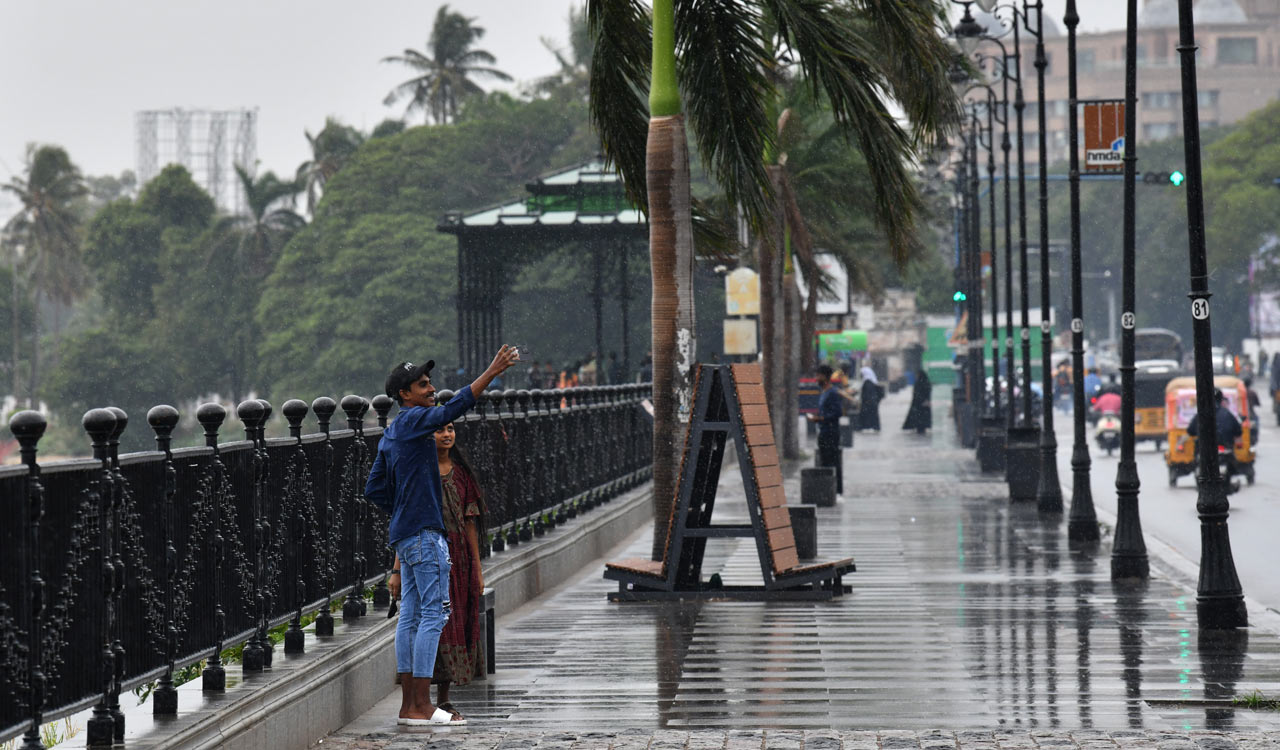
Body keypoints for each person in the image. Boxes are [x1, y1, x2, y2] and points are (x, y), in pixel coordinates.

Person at [365, 345, 518, 727]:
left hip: (404, 533)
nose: (431, 389)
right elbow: (454, 408)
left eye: (430, 383)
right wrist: (492, 371)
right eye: (423, 384)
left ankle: (410, 706)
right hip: (424, 534)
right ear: (405, 394)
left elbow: (374, 489)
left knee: (411, 617)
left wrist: (403, 506)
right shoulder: (416, 420)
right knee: (435, 613)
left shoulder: (392, 432)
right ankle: (419, 705)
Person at [1187, 388, 1244, 483]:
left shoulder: (1201, 414)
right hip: (1224, 447)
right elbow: (1238, 430)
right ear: (1221, 399)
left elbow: (1190, 430)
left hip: (1205, 450)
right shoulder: (1227, 414)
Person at [807, 365, 844, 497]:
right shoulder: (824, 392)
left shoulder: (832, 393)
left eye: (818, 375)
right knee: (825, 461)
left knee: (832, 462)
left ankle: (837, 491)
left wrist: (820, 418)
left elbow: (837, 413)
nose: (816, 379)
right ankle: (830, 491)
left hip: (831, 432)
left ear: (825, 376)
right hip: (824, 431)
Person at [901, 370, 932, 434]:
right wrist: (926, 400)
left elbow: (916, 393)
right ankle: (922, 428)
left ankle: (919, 427)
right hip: (923, 404)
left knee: (919, 418)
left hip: (918, 404)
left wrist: (922, 400)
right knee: (922, 418)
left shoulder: (919, 383)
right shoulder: (926, 383)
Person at [856, 366, 884, 432]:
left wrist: (866, 402)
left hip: (869, 403)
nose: (861, 376)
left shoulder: (867, 382)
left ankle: (865, 427)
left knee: (867, 416)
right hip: (872, 403)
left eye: (862, 374)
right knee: (872, 417)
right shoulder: (871, 381)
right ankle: (873, 427)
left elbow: (867, 394)